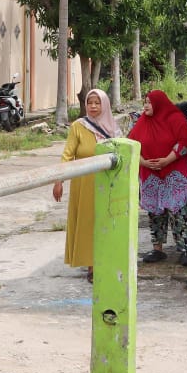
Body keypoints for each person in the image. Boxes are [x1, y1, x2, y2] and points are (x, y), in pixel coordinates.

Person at [127, 90, 187, 267]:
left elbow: (184, 143)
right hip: (151, 173)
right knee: (155, 213)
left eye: (149, 102)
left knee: (180, 212)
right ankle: (157, 249)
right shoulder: (141, 123)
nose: (145, 106)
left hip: (176, 172)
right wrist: (144, 162)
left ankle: (184, 250)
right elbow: (131, 146)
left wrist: (167, 160)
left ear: (159, 103)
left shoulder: (175, 119)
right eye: (144, 102)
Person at [53, 89, 120, 282]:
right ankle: (92, 266)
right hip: (84, 185)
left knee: (106, 223)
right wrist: (59, 180)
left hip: (107, 184)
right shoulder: (78, 126)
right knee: (88, 223)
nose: (92, 106)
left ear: (104, 105)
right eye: (89, 103)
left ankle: (106, 261)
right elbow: (67, 154)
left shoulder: (113, 129)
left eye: (97, 103)